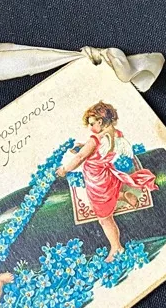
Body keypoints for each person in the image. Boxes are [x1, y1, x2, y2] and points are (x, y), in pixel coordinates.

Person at [55, 101, 156, 259]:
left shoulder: (95, 139)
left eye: (92, 124)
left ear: (100, 122)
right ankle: (123, 195)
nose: (90, 128)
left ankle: (116, 247)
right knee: (110, 196)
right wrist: (85, 146)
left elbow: (80, 157)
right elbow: (102, 149)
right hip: (108, 177)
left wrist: (64, 169)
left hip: (97, 182)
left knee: (104, 219)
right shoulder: (116, 135)